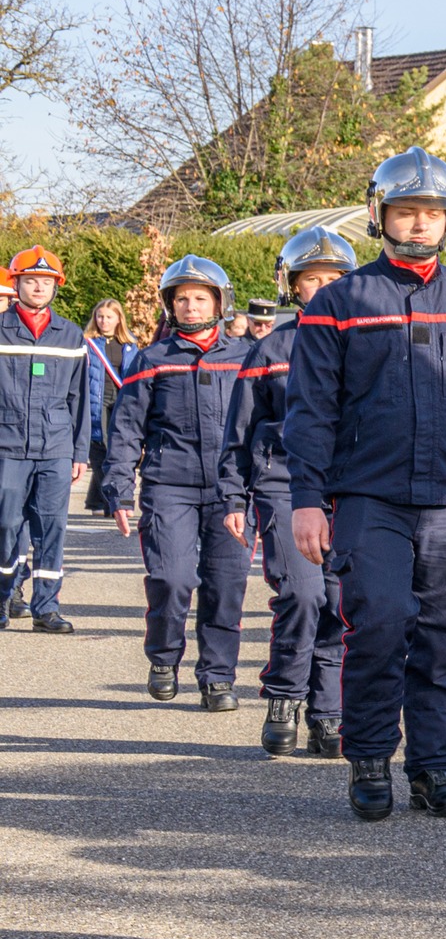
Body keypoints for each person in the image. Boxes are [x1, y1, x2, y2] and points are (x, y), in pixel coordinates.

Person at [283, 147, 446, 821]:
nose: (419, 223)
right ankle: (370, 759)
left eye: (431, 212)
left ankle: (435, 767)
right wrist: (307, 499)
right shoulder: (339, 303)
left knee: (443, 635)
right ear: (380, 215)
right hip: (369, 497)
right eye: (406, 211)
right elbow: (312, 409)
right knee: (380, 623)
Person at [220, 227, 358, 761]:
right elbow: (240, 429)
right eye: (310, 280)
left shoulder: (367, 342)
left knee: (339, 601)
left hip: (349, 487)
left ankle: (328, 710)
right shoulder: (270, 348)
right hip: (282, 482)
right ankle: (284, 697)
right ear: (291, 286)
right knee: (302, 594)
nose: (321, 288)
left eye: (332, 279)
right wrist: (233, 496)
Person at [102, 257, 252, 707]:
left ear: (219, 303)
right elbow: (126, 427)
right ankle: (164, 657)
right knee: (172, 578)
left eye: (200, 298)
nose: (190, 306)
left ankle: (218, 676)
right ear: (170, 305)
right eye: (181, 298)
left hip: (232, 493)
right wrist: (118, 489)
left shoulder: (245, 358)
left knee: (227, 586)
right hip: (170, 485)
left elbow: (263, 422)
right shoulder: (152, 359)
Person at [0, 248, 90, 635]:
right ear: (16, 284)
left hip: (55, 448)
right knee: (5, 525)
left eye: (47, 282)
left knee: (51, 527)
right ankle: (4, 596)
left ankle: (46, 607)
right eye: (31, 281)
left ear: (56, 287)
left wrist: (80, 452)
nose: (39, 287)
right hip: (6, 446)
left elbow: (81, 400)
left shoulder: (70, 334)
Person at [83, 299, 140, 519]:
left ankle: (96, 499)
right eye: (100, 316)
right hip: (95, 399)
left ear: (118, 319)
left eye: (108, 317)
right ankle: (108, 501)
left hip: (119, 399)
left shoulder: (129, 344)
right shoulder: (87, 342)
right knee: (100, 447)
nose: (103, 321)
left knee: (114, 447)